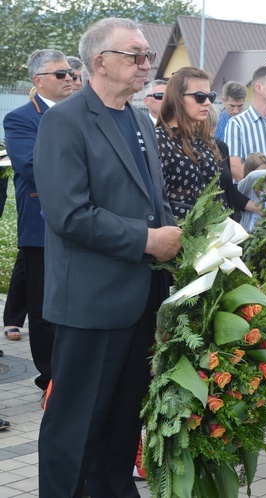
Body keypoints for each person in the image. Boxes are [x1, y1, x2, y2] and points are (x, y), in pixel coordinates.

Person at [34, 18, 182, 496]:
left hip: (141, 300)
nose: (146, 65)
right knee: (74, 428)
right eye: (135, 56)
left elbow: (149, 200)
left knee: (122, 425)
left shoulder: (140, 118)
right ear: (101, 61)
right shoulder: (64, 120)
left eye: (147, 56)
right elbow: (69, 214)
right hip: (91, 304)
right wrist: (146, 240)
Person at [3, 49, 73, 399]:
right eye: (60, 74)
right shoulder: (20, 119)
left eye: (71, 73)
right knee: (44, 309)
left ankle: (68, 373)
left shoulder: (80, 114)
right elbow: (30, 166)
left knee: (72, 305)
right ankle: (49, 380)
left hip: (79, 224)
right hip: (41, 226)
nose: (69, 78)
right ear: (38, 80)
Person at [156, 66, 258, 221]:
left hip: (216, 234)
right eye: (200, 97)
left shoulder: (206, 141)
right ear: (177, 97)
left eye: (210, 96)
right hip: (178, 236)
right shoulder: (159, 140)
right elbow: (155, 200)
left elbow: (224, 192)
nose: (208, 103)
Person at [237, 152, 266, 231]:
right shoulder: (245, 188)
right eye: (261, 173)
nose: (264, 177)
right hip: (250, 235)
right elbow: (252, 176)